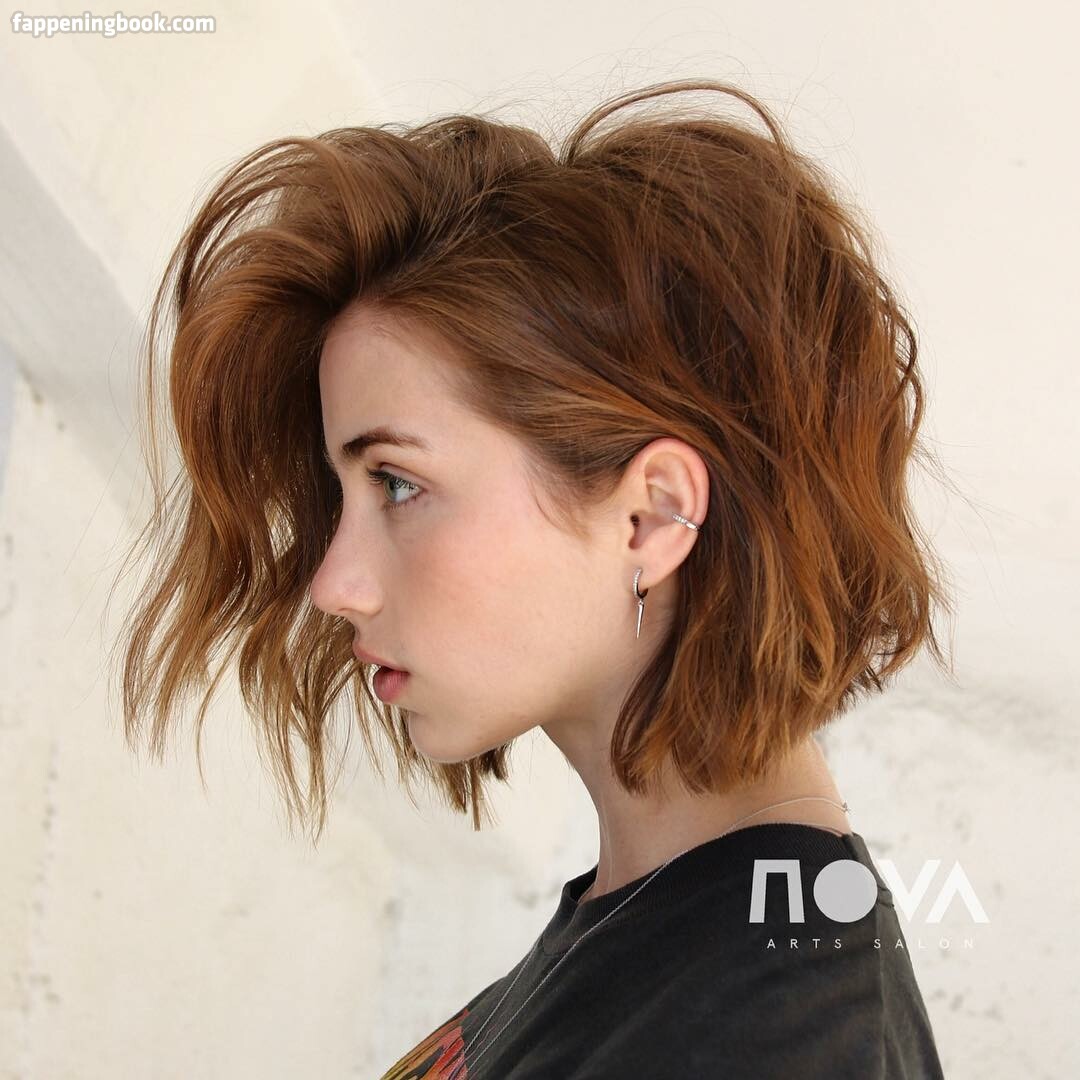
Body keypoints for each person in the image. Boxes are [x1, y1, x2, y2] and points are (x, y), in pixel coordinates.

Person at [108, 77, 957, 1078]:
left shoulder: (774, 1036)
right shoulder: (671, 950)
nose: (334, 582)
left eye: (397, 484)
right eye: (343, 495)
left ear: (653, 517)